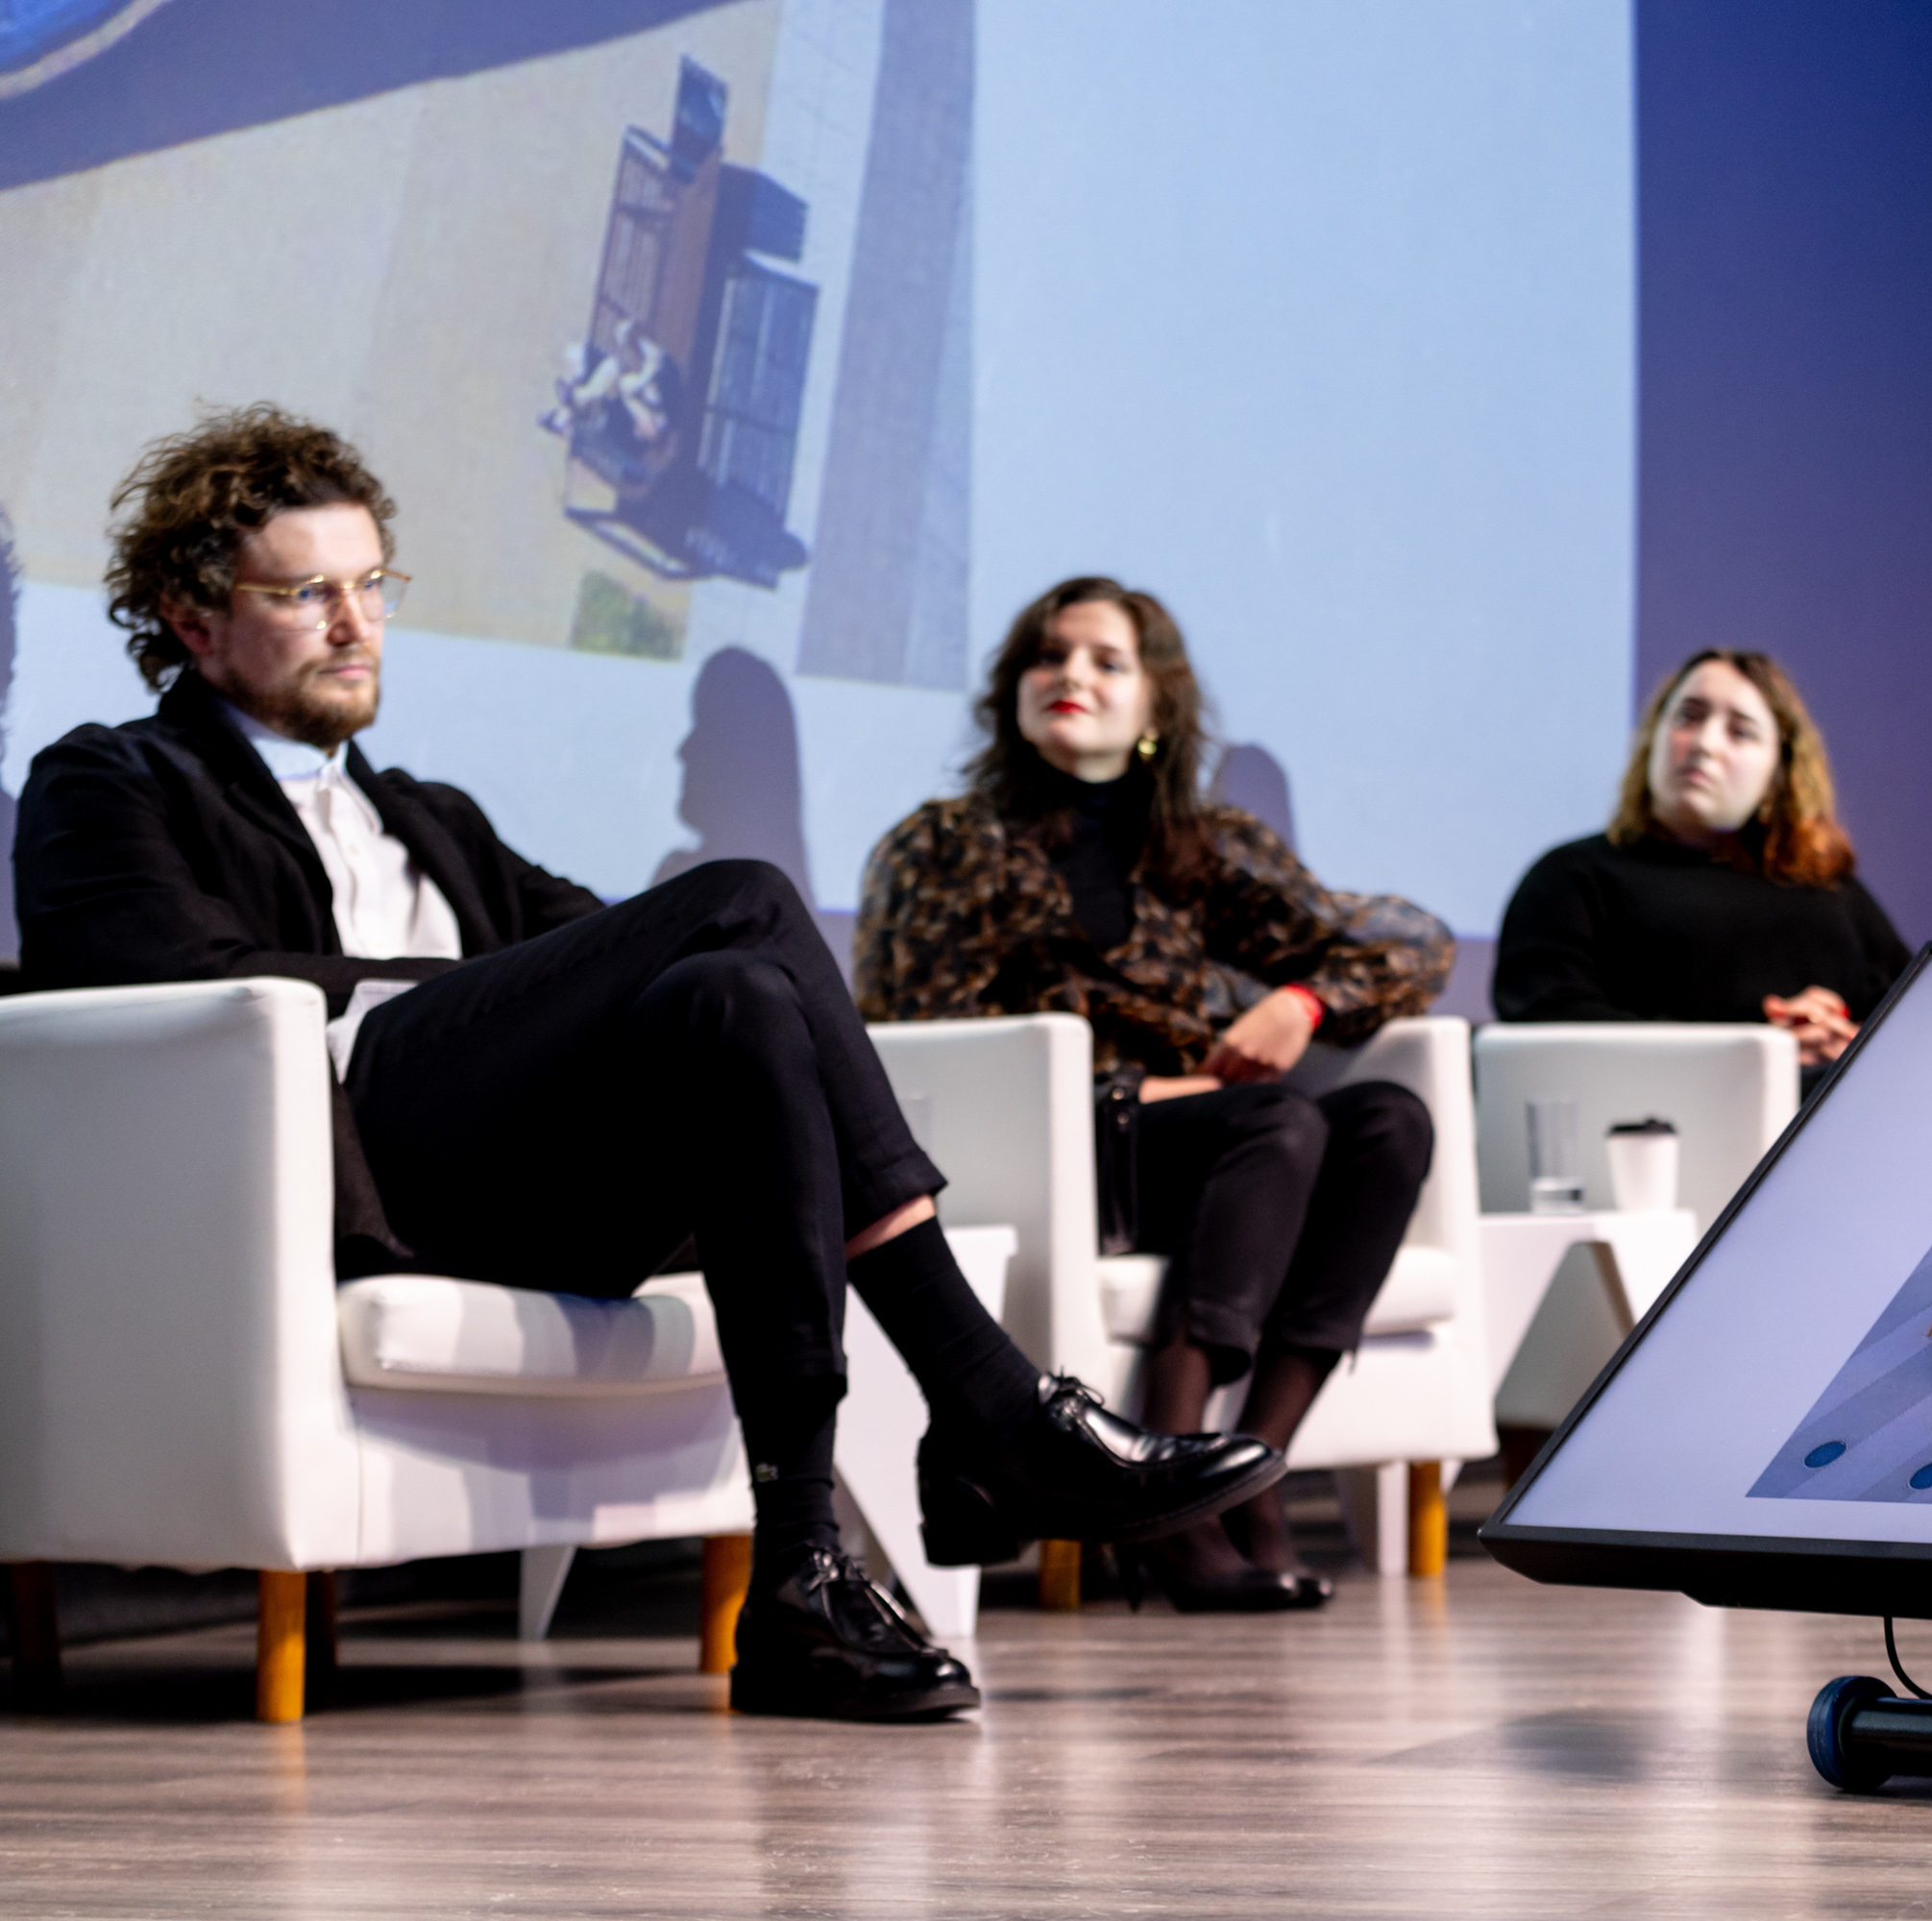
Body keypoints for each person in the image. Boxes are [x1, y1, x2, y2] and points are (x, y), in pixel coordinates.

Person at [11, 407, 1284, 1721]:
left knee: (735, 992)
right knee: (744, 897)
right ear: (192, 618)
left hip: (523, 1199)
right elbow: (172, 982)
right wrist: (465, 996)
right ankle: (991, 1405)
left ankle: (798, 1581)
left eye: (371, 584)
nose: (355, 623)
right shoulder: (107, 782)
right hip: (337, 1182)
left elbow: (616, 957)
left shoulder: (432, 820)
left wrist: (530, 998)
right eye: (305, 593)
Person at [856, 576, 1450, 1612]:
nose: (1070, 675)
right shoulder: (943, 842)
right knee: (1278, 1119)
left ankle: (1254, 1466)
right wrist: (1137, 1086)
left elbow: (1413, 940)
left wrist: (1302, 1002)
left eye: (1105, 660)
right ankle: (1168, 1502)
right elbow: (916, 1037)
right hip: (1050, 1144)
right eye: (1048, 656)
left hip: (1200, 1144)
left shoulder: (1203, 844)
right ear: (1011, 689)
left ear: (1157, 704)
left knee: (1389, 1122)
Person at [1493, 649, 1910, 1074]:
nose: (1704, 744)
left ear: (1780, 771)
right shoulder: (1572, 878)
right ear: (1653, 738)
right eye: (1687, 717)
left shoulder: (1832, 892)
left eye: (1740, 732)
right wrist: (1755, 1049)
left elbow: (1915, 1032)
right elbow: (1549, 1026)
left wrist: (1848, 1040)